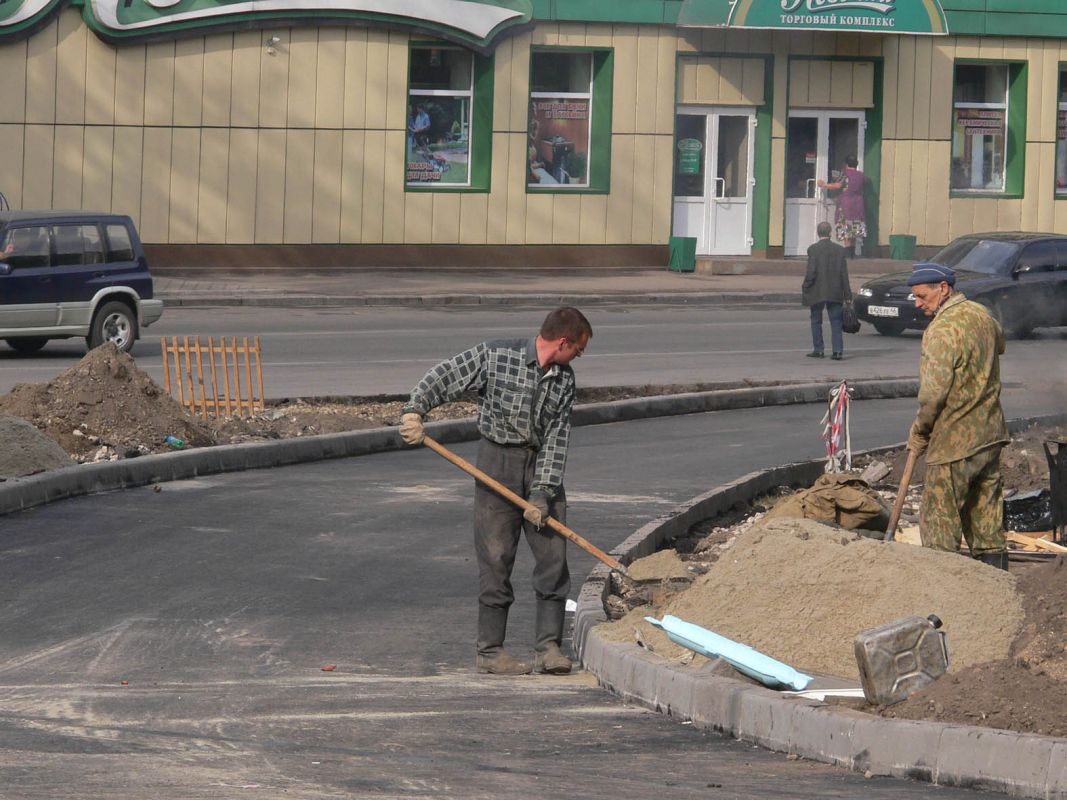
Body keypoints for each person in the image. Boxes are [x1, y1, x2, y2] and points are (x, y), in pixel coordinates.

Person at [398, 307, 593, 675]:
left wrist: (542, 493)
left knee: (553, 558)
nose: (578, 357)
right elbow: (446, 374)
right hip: (495, 464)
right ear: (563, 342)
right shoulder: (496, 355)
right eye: (578, 350)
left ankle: (548, 648)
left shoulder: (564, 381)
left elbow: (557, 439)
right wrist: (414, 409)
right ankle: (490, 652)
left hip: (539, 467)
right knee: (496, 557)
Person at [905, 263, 1010, 570]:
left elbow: (933, 394)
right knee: (986, 519)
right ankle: (996, 584)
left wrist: (920, 430)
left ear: (943, 288)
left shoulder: (941, 330)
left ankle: (942, 588)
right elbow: (1000, 345)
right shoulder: (983, 315)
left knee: (940, 524)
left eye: (922, 296)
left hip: (954, 441)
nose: (918, 303)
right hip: (990, 434)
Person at [802, 220, 851, 360]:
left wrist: (806, 285)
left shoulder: (813, 249)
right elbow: (844, 274)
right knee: (836, 321)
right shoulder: (840, 250)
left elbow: (811, 272)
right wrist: (848, 295)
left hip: (817, 291)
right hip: (835, 291)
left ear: (818, 233)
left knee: (816, 320)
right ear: (830, 233)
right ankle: (837, 351)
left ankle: (818, 350)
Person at [817, 155, 867, 257]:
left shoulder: (845, 173)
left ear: (846, 164)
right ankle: (852, 255)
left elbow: (838, 185)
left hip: (846, 205)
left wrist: (824, 185)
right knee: (854, 230)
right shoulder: (861, 175)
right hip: (858, 206)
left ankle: (848, 255)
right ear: (856, 164)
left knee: (846, 231)